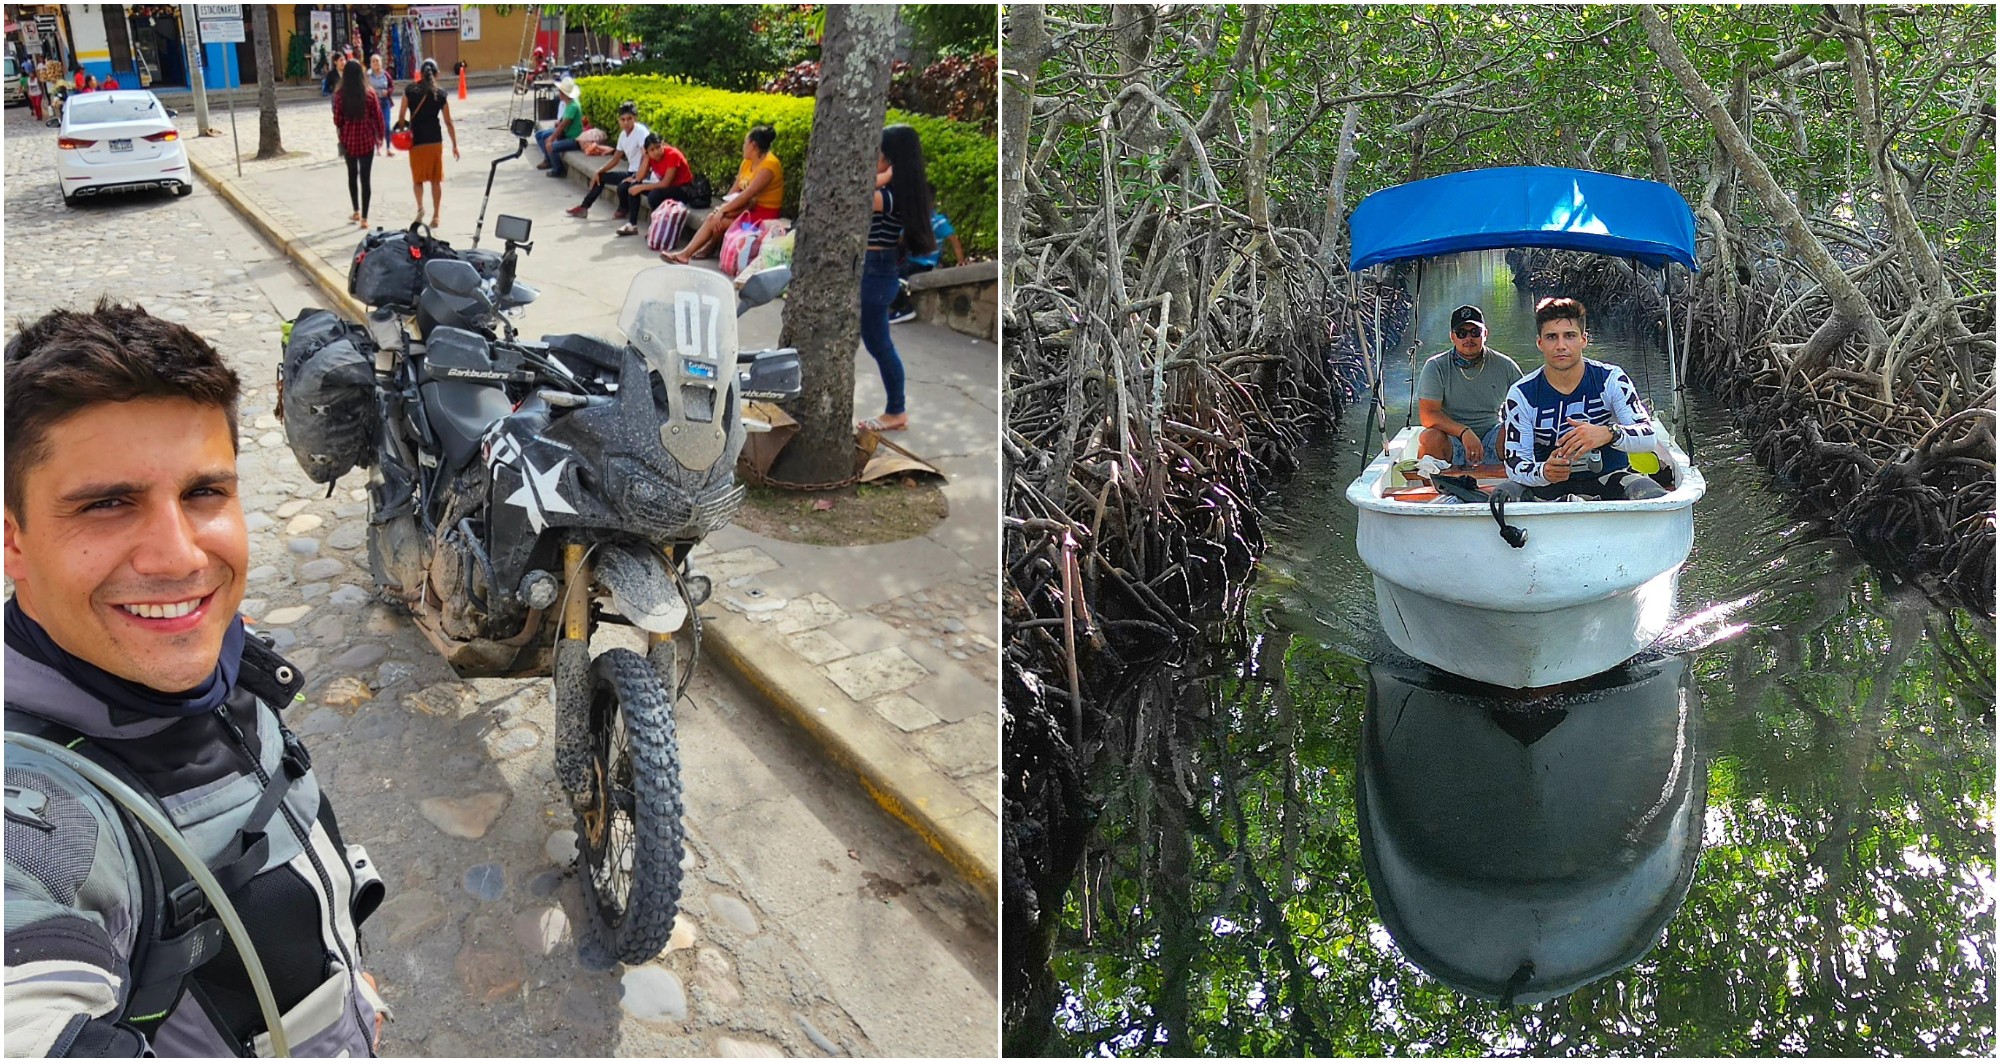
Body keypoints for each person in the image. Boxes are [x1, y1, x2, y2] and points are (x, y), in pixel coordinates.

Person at [2, 301, 388, 1057]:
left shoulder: (217, 655)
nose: (178, 557)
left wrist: (345, 984)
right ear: (13, 541)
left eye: (204, 493)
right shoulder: (34, 810)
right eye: (108, 504)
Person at [1493, 296, 1668, 502]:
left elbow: (1648, 437)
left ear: (1583, 339)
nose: (1561, 345)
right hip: (1547, 486)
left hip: (1609, 479)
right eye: (1551, 337)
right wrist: (1544, 471)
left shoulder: (1611, 379)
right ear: (1539, 343)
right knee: (1502, 496)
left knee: (1651, 493)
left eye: (1569, 335)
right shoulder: (1521, 393)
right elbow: (1515, 464)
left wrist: (1609, 433)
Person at [854, 124, 937, 433]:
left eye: (878, 153)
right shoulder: (894, 191)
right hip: (873, 269)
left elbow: (855, 191)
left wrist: (887, 177)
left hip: (876, 271)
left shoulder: (889, 195)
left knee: (880, 344)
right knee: (878, 342)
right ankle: (896, 409)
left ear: (890, 159)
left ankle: (896, 411)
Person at [1414, 305, 1523, 468]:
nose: (1468, 339)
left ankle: (1522, 482)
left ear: (1485, 334)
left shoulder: (1506, 366)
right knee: (1429, 437)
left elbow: (1527, 408)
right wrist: (1464, 432)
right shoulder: (1435, 367)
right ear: (1452, 337)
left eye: (1475, 332)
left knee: (1519, 431)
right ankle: (1434, 489)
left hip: (1494, 440)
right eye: (1462, 333)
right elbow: (1428, 415)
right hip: (1452, 442)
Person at [663, 124, 783, 263]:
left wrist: (723, 211)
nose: (743, 146)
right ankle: (707, 247)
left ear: (753, 145)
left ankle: (686, 255)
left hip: (761, 217)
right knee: (716, 217)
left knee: (714, 219)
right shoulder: (747, 162)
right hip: (747, 208)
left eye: (745, 143)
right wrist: (722, 208)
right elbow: (735, 189)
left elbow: (747, 195)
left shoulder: (769, 166)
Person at [888, 182, 966, 323]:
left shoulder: (938, 221)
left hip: (925, 262)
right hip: (910, 258)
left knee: (899, 274)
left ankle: (904, 308)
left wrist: (961, 261)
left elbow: (954, 241)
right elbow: (900, 239)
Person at [395, 58, 458, 229]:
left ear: (420, 74)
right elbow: (448, 122)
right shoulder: (441, 94)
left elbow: (401, 116)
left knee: (418, 179)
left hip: (416, 141)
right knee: (435, 180)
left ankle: (420, 207)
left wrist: (402, 130)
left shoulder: (409, 90)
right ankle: (436, 216)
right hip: (434, 141)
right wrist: (454, 144)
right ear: (436, 74)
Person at [565, 100, 650, 221]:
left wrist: (637, 177)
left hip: (643, 175)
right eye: (623, 119)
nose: (626, 122)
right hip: (631, 172)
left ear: (635, 118)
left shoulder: (641, 132)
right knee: (601, 177)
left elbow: (647, 156)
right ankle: (584, 207)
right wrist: (599, 171)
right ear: (619, 120)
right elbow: (615, 159)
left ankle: (623, 209)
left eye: (629, 118)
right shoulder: (622, 135)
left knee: (622, 186)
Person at [613, 134, 700, 236]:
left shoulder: (673, 155)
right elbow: (639, 178)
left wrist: (641, 187)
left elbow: (665, 183)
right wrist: (646, 158)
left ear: (662, 144)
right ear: (647, 151)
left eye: (658, 147)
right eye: (652, 150)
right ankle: (632, 225)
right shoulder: (650, 157)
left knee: (654, 195)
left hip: (683, 189)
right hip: (667, 187)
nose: (656, 152)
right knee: (632, 186)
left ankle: (655, 226)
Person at [333, 59, 383, 227]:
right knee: (365, 179)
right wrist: (380, 136)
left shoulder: (340, 96)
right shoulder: (369, 93)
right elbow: (378, 116)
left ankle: (356, 210)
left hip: (348, 141)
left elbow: (337, 120)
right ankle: (365, 218)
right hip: (367, 140)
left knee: (352, 176)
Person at [536, 77, 584, 176]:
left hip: (573, 138)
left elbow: (563, 126)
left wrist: (551, 139)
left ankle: (558, 170)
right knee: (540, 135)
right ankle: (548, 160)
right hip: (566, 132)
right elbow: (562, 122)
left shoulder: (573, 106)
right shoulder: (569, 103)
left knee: (551, 146)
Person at [366, 53, 394, 157]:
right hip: (373, 104)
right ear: (371, 63)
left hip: (385, 102)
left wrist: (388, 91)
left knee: (386, 125)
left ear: (381, 62)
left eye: (377, 61)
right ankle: (378, 147)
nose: (375, 63)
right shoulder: (368, 75)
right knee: (375, 126)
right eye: (373, 61)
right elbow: (364, 86)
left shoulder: (385, 74)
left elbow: (391, 86)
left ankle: (388, 147)